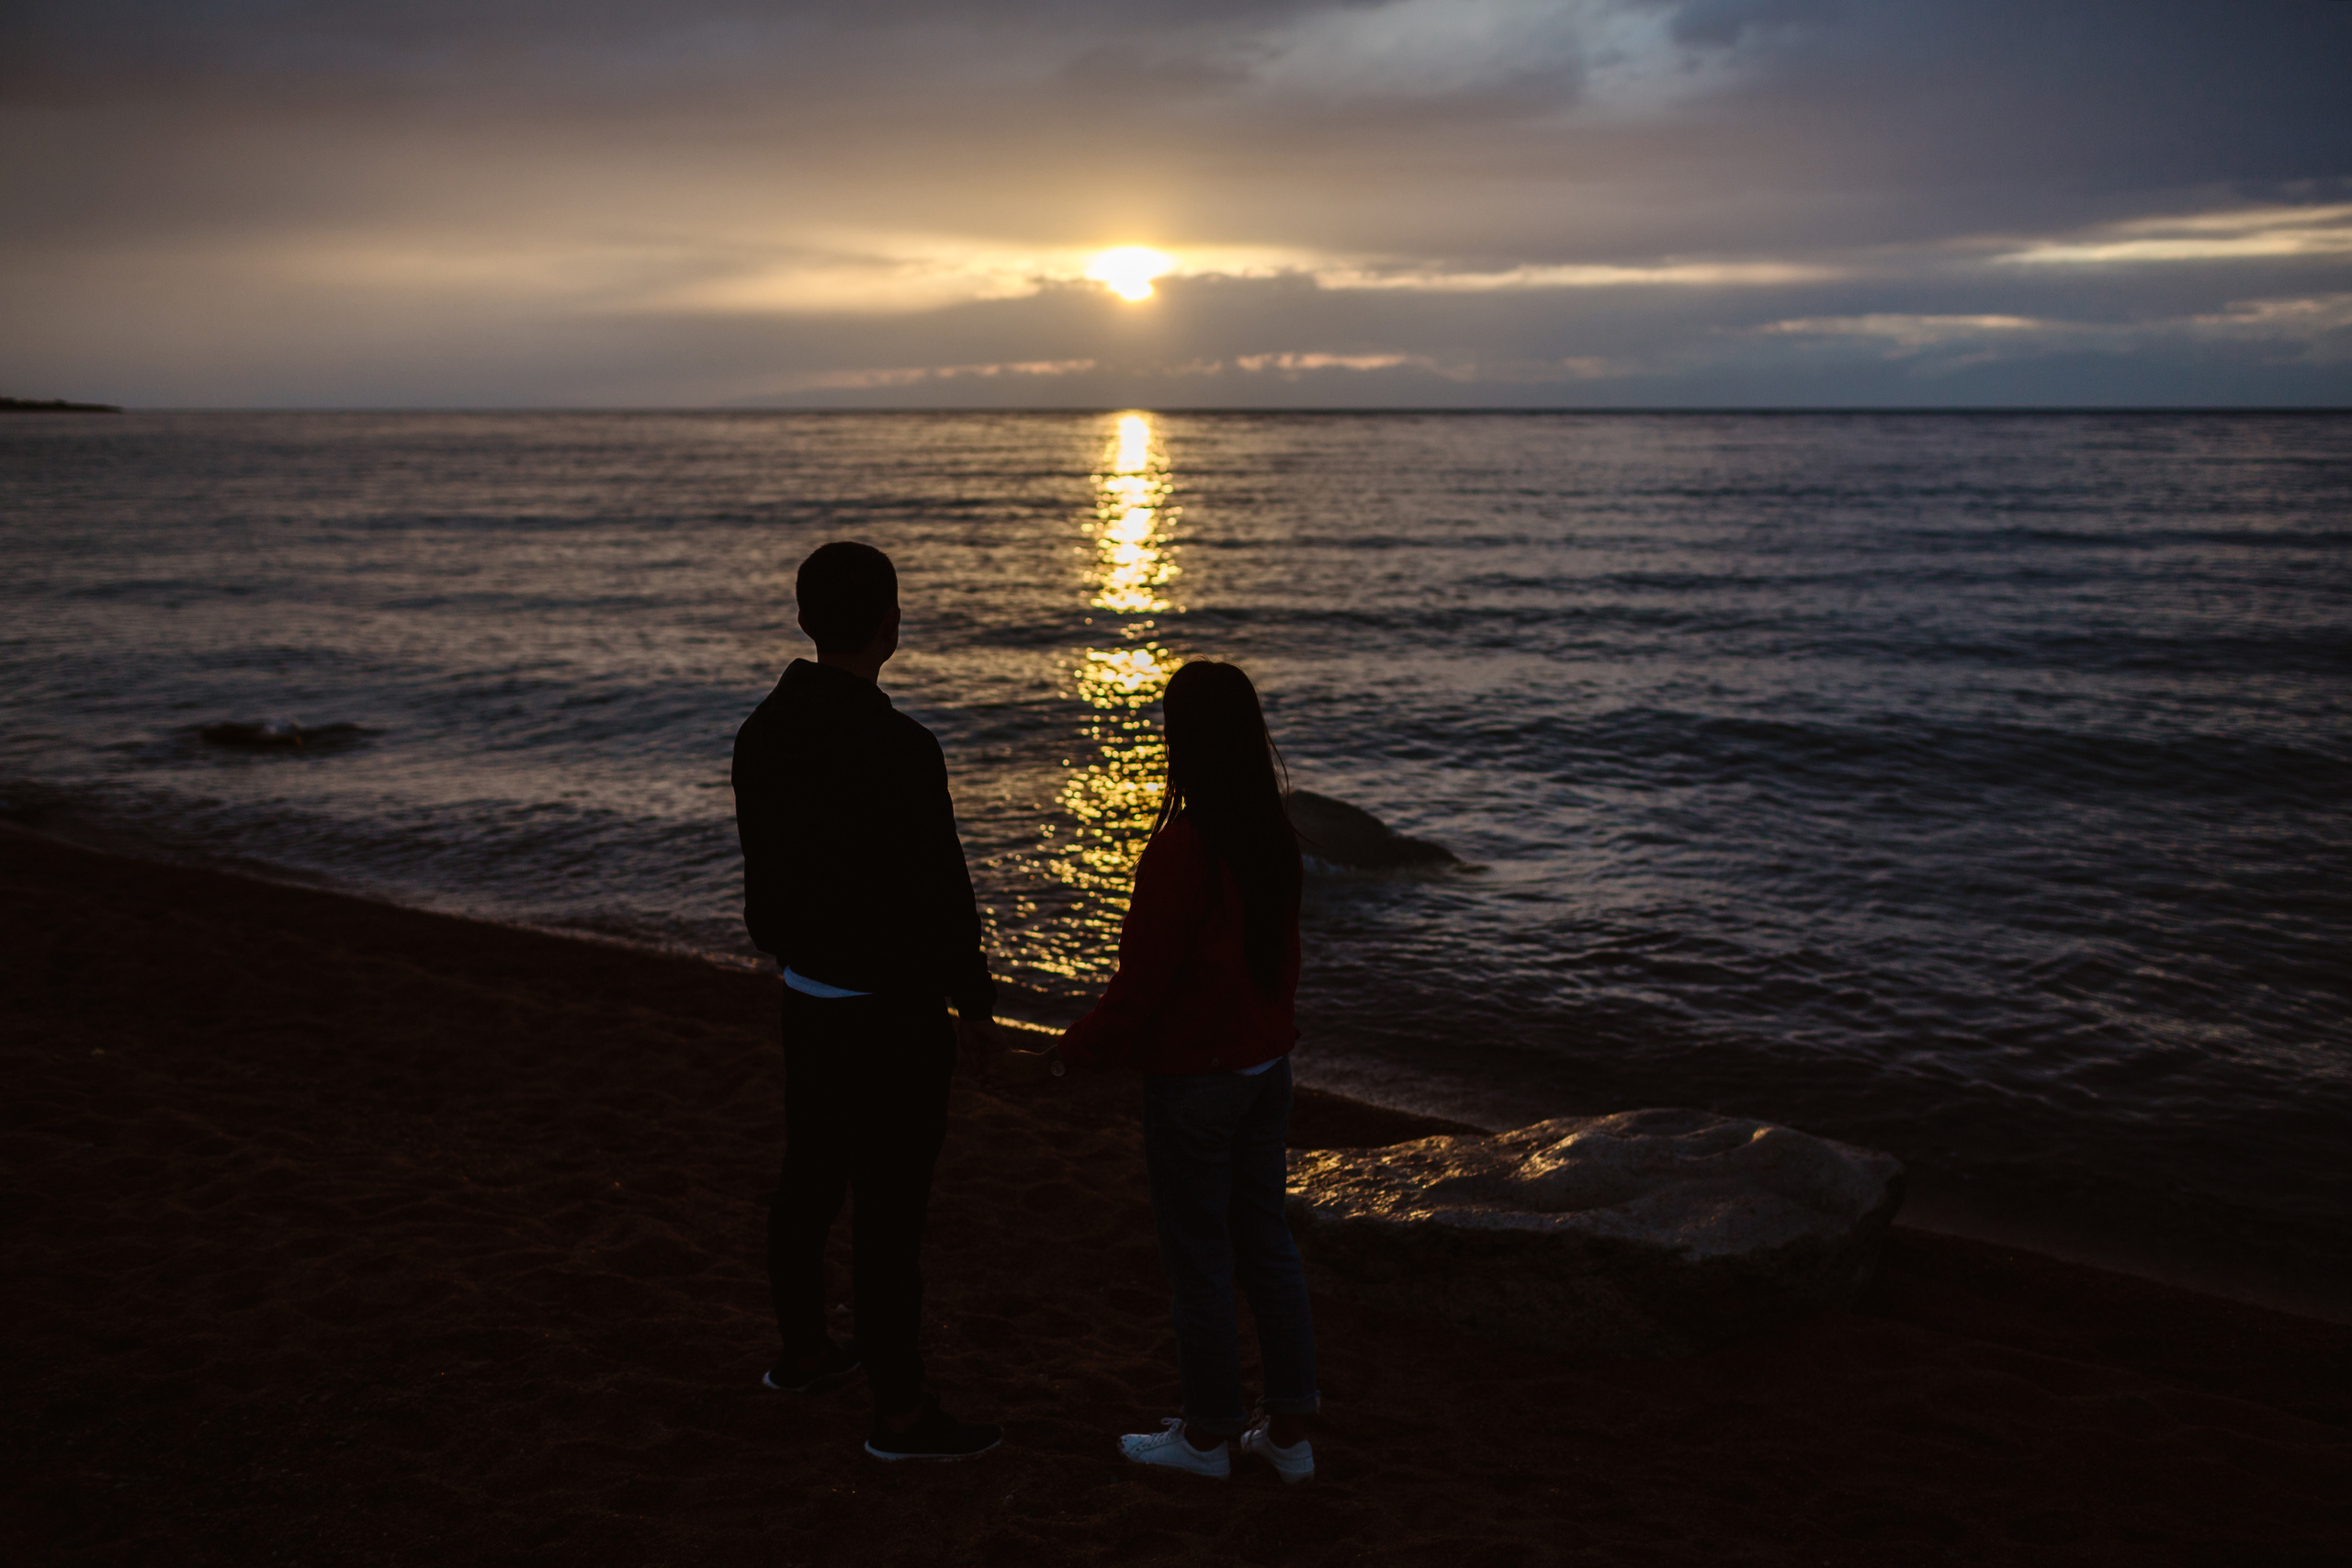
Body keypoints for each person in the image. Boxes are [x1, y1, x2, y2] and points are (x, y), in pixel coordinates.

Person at [730, 540, 1010, 1463]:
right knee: (890, 1211)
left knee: (809, 1178)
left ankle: (806, 1353)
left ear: (806, 622)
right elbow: (942, 891)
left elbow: (766, 880)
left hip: (808, 995)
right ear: (891, 622)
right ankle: (898, 1415)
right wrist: (975, 1007)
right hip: (890, 1014)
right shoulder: (899, 746)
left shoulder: (763, 730)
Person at [1043, 659, 1320, 1483]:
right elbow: (1282, 963)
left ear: (1182, 741)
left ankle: (1206, 1438)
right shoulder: (1274, 836)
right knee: (1266, 1245)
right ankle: (1290, 1433)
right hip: (1266, 1068)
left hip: (1198, 1082)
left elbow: (1140, 990)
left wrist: (1068, 1056)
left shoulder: (1183, 849)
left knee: (1199, 1256)